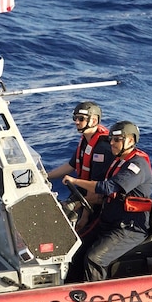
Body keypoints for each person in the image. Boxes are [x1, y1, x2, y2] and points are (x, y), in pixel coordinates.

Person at [63, 120, 152, 282]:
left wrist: (75, 182)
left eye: (117, 140)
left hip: (129, 228)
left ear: (131, 141)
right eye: (111, 139)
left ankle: (95, 296)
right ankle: (70, 285)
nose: (112, 143)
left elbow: (108, 188)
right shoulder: (118, 161)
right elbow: (101, 196)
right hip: (110, 221)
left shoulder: (136, 166)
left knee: (94, 258)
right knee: (76, 249)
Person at [48, 100, 110, 236]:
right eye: (75, 118)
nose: (76, 122)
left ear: (94, 121)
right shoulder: (85, 142)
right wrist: (46, 176)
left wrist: (84, 217)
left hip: (96, 202)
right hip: (82, 193)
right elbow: (71, 165)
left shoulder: (102, 148)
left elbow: (96, 188)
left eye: (80, 119)